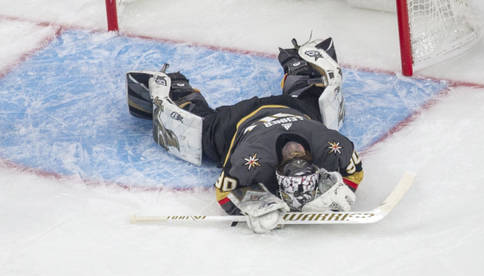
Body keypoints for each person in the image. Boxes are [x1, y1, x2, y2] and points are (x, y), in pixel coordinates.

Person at [126, 37, 362, 233]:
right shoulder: (328, 146)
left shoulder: (251, 162)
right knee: (316, 106)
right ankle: (302, 72)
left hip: (231, 125)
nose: (295, 153)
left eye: (291, 162)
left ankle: (177, 89)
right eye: (301, 159)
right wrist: (348, 188)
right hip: (287, 108)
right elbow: (355, 172)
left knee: (199, 131)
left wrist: (247, 204)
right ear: (315, 162)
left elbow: (223, 191)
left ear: (278, 173)